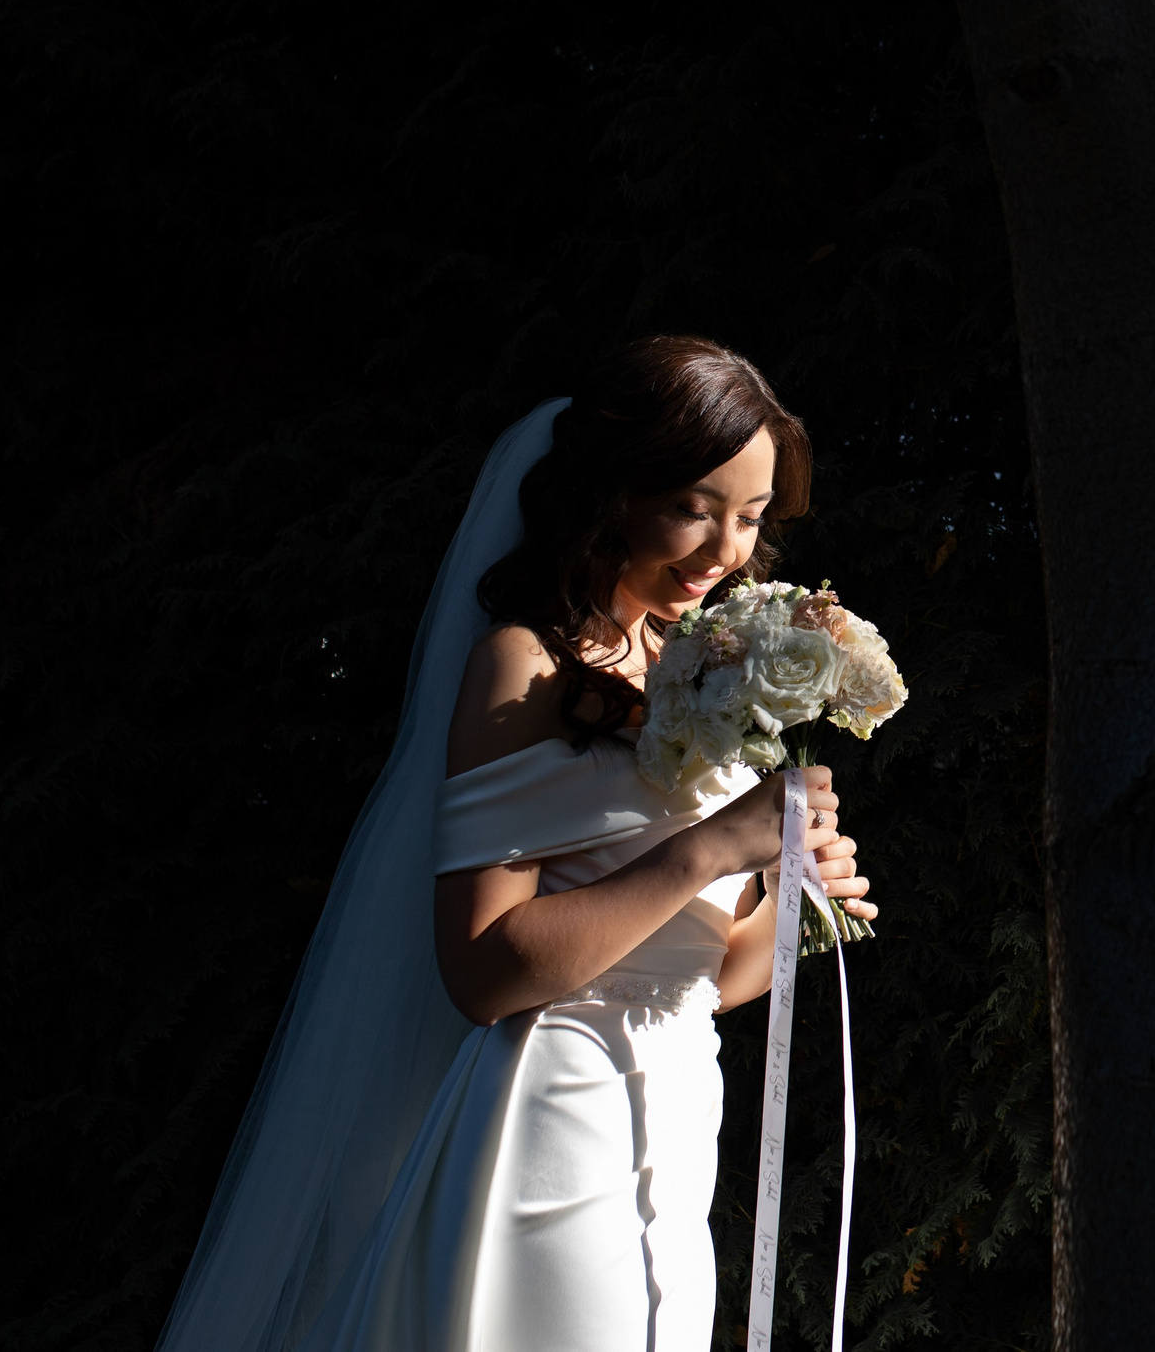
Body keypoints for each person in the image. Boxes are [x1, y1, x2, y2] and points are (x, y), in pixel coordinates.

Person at [159, 336, 875, 1352]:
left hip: (676, 1115)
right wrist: (711, 851)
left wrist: (797, 894)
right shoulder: (524, 667)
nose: (722, 551)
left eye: (750, 518)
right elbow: (484, 971)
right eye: (692, 505)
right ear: (613, 491)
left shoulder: (709, 675)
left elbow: (710, 975)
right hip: (557, 1119)